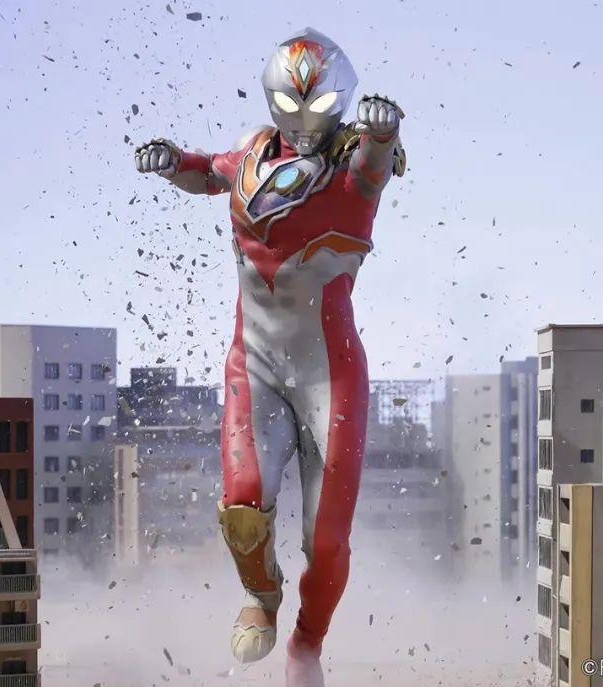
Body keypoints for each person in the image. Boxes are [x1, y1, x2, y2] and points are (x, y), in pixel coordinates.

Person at [134, 26, 404, 687]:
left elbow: (378, 158)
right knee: (242, 505)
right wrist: (170, 160)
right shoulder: (252, 154)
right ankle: (262, 595)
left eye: (318, 106)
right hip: (254, 362)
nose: (305, 120)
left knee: (327, 540)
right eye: (293, 105)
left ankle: (307, 642)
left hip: (330, 374)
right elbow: (208, 171)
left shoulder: (355, 164)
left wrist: (384, 131)